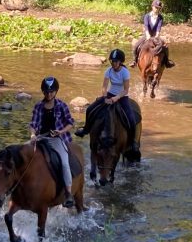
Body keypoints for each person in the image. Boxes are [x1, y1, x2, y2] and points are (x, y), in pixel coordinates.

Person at [77, 49, 140, 152]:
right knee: (90, 109)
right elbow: (104, 87)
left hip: (121, 96)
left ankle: (132, 142)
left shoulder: (125, 72)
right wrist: (105, 97)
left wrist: (116, 98)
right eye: (112, 61)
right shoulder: (108, 71)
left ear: (120, 62)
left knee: (131, 119)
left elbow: (126, 90)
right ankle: (85, 129)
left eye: (116, 61)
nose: (114, 63)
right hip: (109, 95)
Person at [29, 76, 76, 208]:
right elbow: (33, 123)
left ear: (56, 91)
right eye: (47, 92)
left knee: (64, 163)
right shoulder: (38, 106)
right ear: (43, 92)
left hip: (56, 139)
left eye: (51, 91)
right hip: (41, 138)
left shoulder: (61, 105)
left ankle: (68, 193)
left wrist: (61, 132)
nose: (49, 94)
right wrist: (33, 134)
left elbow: (70, 123)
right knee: (22, 156)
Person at [133, 0, 175, 68]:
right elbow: (146, 26)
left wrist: (157, 35)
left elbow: (159, 27)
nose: (157, 9)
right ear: (152, 7)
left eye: (158, 8)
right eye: (156, 7)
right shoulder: (147, 16)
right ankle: (134, 61)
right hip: (147, 35)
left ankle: (167, 62)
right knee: (136, 46)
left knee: (165, 48)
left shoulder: (160, 17)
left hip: (156, 36)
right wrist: (148, 34)